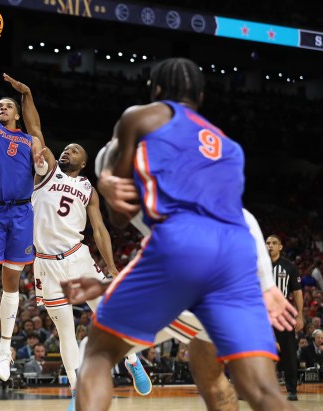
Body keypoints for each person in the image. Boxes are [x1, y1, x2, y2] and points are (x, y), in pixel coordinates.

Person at [72, 57, 295, 411]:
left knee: (96, 353)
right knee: (261, 390)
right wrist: (266, 284)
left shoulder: (140, 118)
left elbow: (117, 216)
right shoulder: (228, 146)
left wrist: (108, 185)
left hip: (183, 247)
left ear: (156, 90)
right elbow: (243, 218)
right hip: (235, 257)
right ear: (201, 96)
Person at [4, 73, 152, 408]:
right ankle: (77, 392)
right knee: (66, 333)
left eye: (74, 150)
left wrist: (112, 267)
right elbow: (35, 132)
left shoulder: (88, 188)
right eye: (66, 148)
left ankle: (130, 360)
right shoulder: (46, 173)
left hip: (77, 259)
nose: (67, 151)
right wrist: (28, 96)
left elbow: (99, 230)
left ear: (83, 163)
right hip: (45, 264)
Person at [0, 34, 46, 382]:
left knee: (12, 282)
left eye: (7, 106)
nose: (1, 108)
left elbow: (37, 126)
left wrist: (26, 94)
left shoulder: (30, 140)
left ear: (16, 114)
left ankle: (4, 347)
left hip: (21, 213)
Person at [266, 234, 304, 401]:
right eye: (267, 243)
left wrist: (300, 315)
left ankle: (292, 389)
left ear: (280, 247)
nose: (270, 245)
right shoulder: (258, 266)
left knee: (288, 352)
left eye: (274, 243)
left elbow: (297, 292)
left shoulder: (289, 267)